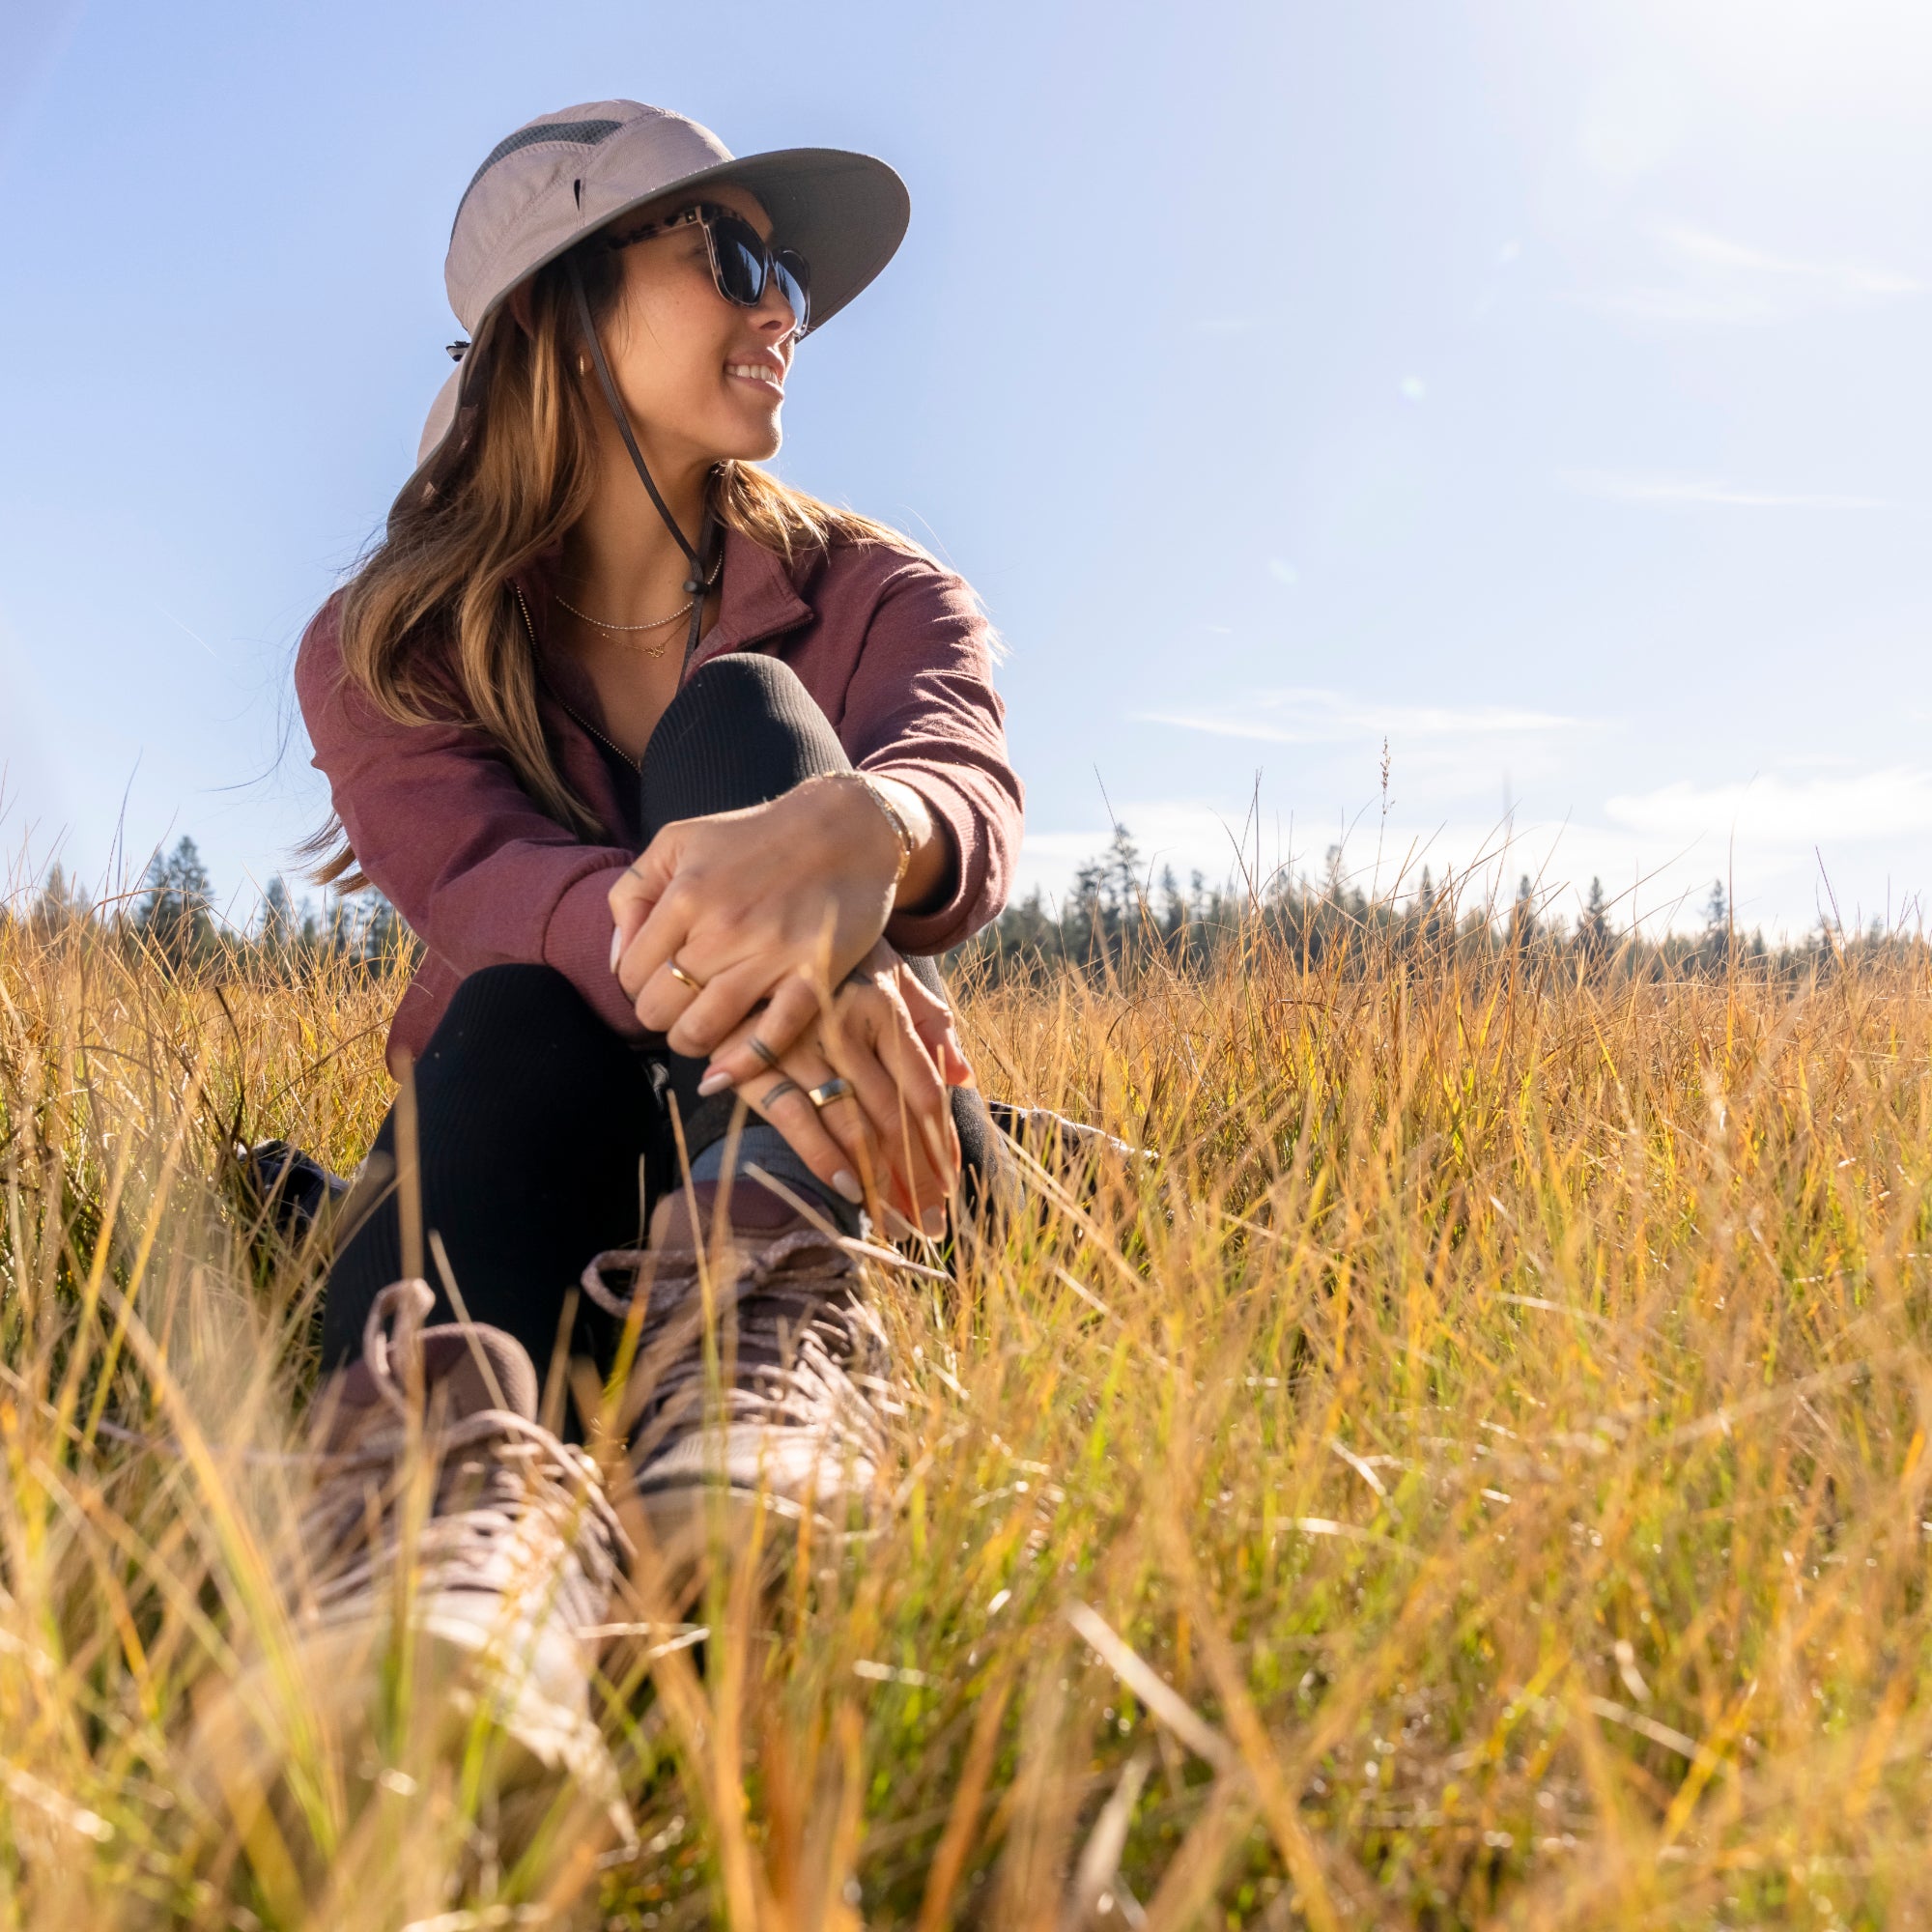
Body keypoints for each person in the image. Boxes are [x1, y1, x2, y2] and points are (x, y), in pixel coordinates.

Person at [296, 99, 1021, 1490]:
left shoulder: (883, 593)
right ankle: (451, 1533)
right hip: (529, 1157)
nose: (783, 314)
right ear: (564, 309)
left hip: (859, 1168)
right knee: (510, 1003)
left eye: (790, 279)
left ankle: (771, 1363)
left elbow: (961, 768)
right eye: (732, 262)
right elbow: (479, 888)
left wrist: (869, 832)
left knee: (742, 718)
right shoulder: (383, 649)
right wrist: (787, 952)